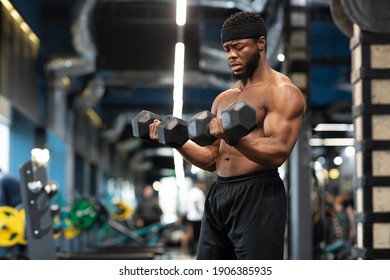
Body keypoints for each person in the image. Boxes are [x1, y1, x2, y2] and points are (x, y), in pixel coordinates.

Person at [149, 11, 305, 259]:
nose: (231, 55)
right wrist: (178, 143)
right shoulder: (224, 99)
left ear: (261, 44)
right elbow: (212, 159)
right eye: (227, 48)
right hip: (220, 193)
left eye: (239, 47)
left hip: (258, 194)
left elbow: (278, 152)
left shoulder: (282, 91)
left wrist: (234, 137)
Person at [182, 180, 206, 256]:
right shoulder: (198, 192)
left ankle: (192, 251)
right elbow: (196, 203)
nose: (204, 187)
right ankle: (196, 252)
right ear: (199, 184)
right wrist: (202, 212)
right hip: (197, 218)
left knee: (192, 235)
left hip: (191, 217)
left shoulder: (191, 192)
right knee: (197, 236)